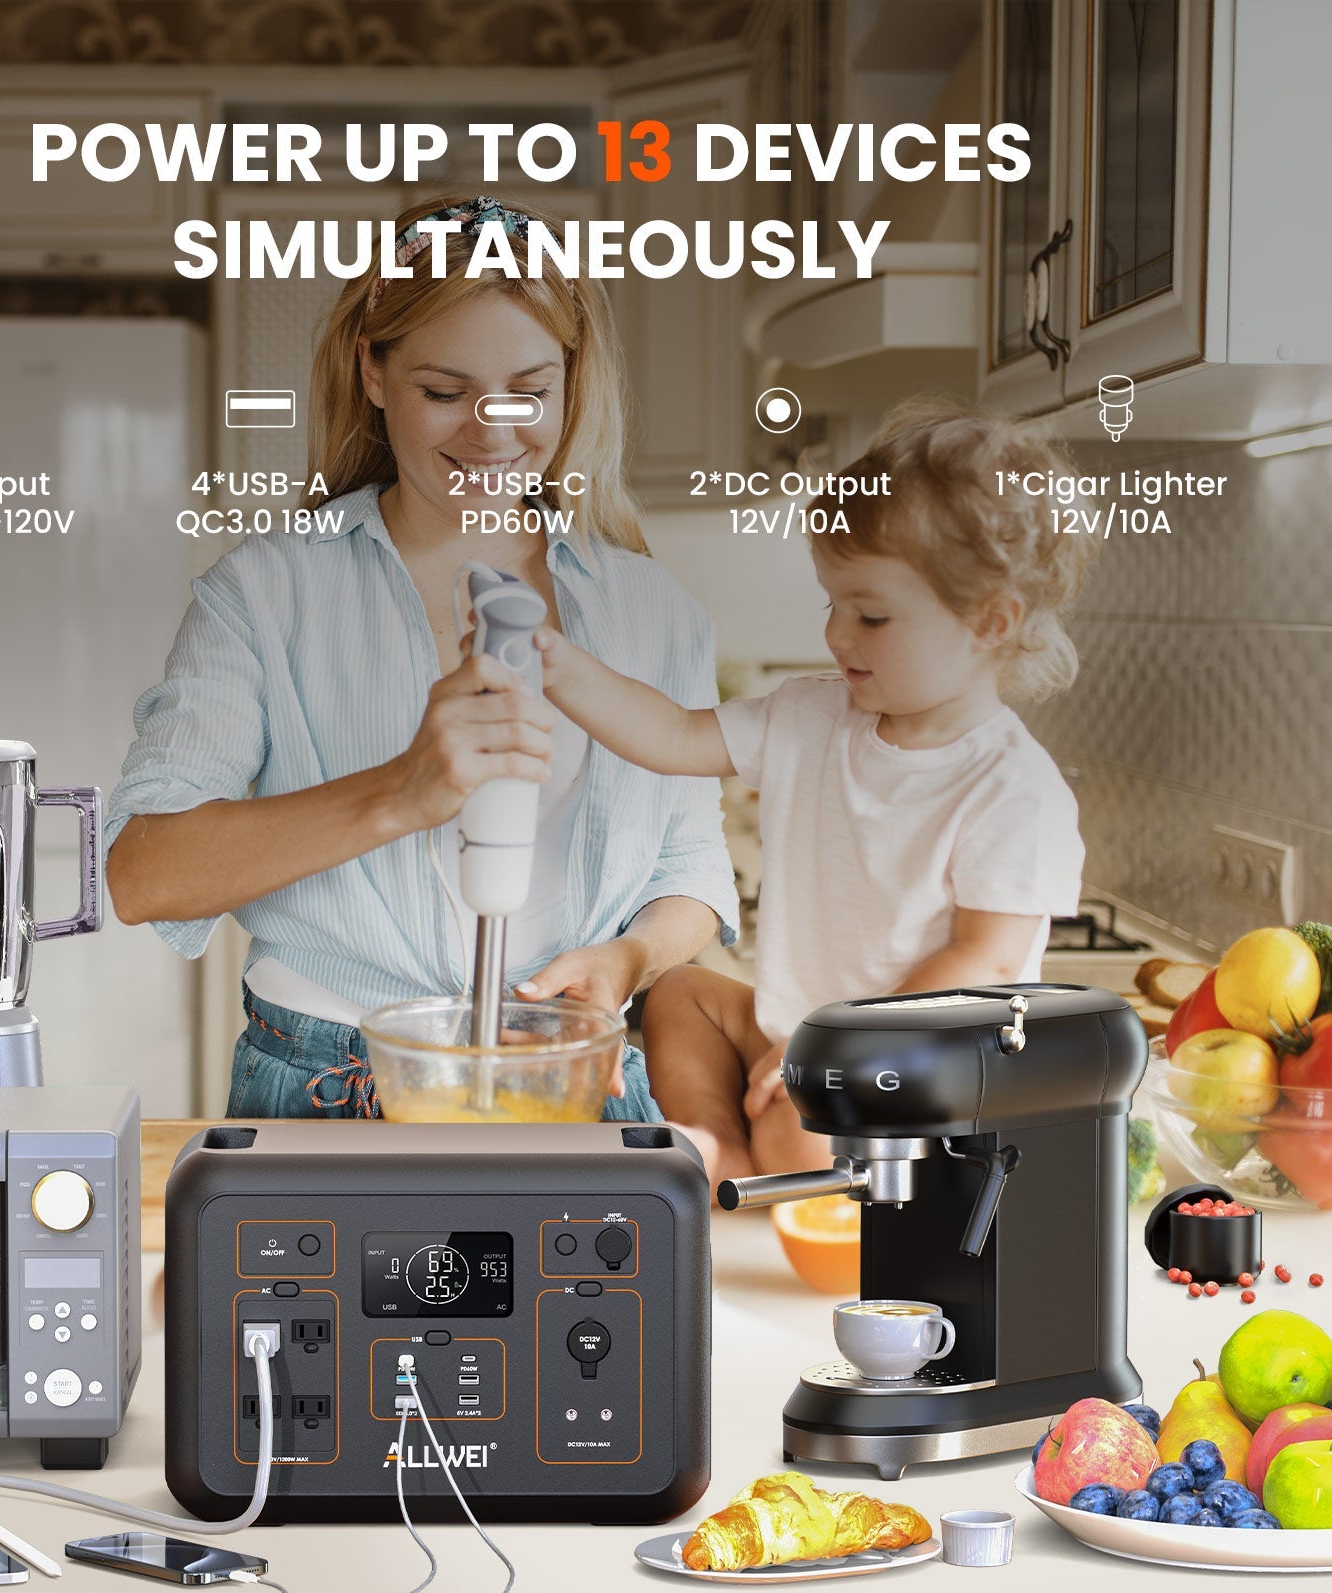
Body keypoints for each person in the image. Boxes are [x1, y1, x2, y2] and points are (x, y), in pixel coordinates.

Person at [106, 194, 736, 1119]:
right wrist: (402, 789)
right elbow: (142, 875)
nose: (492, 429)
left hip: (572, 1079)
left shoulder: (652, 611)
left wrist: (626, 959)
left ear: (572, 379)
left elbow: (692, 866)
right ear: (372, 371)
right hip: (329, 1085)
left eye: (530, 390)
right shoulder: (267, 595)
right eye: (444, 392)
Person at [533, 403, 1099, 1183]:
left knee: (803, 1138)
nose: (837, 635)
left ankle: (770, 1164)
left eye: (870, 615)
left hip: (922, 1069)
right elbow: (670, 737)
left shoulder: (1012, 790)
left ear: (991, 622)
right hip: (797, 1037)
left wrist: (840, 1045)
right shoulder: (811, 714)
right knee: (678, 995)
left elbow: (987, 957)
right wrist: (555, 663)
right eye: (832, 603)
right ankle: (716, 1145)